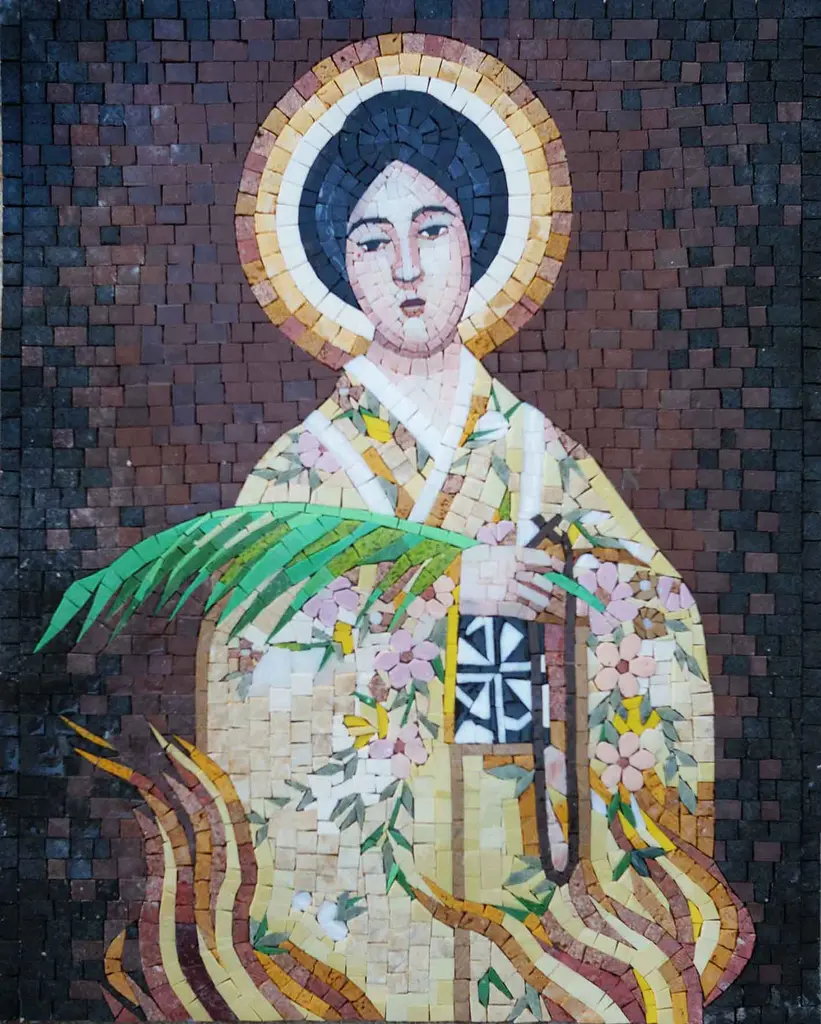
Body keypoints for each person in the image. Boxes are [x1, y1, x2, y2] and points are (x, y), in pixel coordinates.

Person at [189, 81, 754, 1023]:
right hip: (374, 897)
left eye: (433, 229)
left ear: (476, 244)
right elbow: (251, 689)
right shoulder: (300, 474)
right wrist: (443, 597)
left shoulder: (542, 458)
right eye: (373, 241)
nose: (408, 267)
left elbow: (658, 625)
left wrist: (566, 610)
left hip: (528, 857)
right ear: (339, 267)